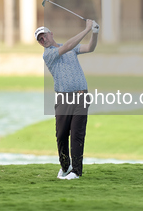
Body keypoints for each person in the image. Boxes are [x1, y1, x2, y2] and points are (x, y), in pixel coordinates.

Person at [35, 19, 99, 180]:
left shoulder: (69, 47)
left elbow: (90, 47)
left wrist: (95, 32)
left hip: (81, 96)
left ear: (51, 34)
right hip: (64, 98)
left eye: (44, 36)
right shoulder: (48, 54)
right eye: (40, 39)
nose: (43, 40)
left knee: (77, 134)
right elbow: (68, 46)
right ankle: (65, 167)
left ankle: (76, 171)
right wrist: (86, 30)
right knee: (62, 135)